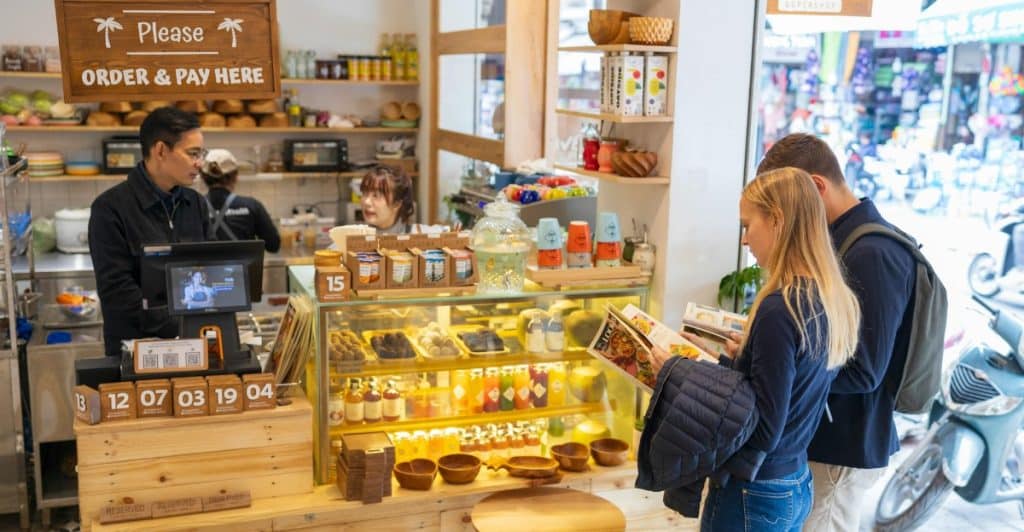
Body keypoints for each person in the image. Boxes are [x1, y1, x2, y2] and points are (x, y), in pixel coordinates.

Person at [659, 167, 862, 531]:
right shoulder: (828, 298)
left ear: (777, 221)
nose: (745, 241)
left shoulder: (779, 308)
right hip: (794, 480)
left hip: (754, 489)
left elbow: (763, 426)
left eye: (747, 225)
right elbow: (784, 392)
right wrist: (730, 360)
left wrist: (683, 373)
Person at [756, 133, 918, 532]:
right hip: (824, 437)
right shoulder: (840, 242)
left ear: (815, 187)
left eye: (785, 204)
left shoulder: (873, 253)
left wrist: (786, 371)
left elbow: (864, 369)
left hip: (845, 445)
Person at [88, 107, 210, 357]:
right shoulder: (110, 208)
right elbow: (118, 293)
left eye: (201, 153)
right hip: (135, 353)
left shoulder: (195, 203)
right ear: (161, 150)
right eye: (192, 153)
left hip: (192, 346)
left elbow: (207, 268)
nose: (200, 163)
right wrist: (181, 325)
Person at [200, 148, 281, 252]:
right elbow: (273, 245)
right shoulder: (252, 205)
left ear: (203, 177)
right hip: (244, 268)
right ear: (236, 176)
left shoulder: (194, 207)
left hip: (206, 268)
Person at [359, 165, 418, 233]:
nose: (366, 202)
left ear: (397, 204)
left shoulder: (415, 237)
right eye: (364, 193)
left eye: (376, 195)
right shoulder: (354, 237)